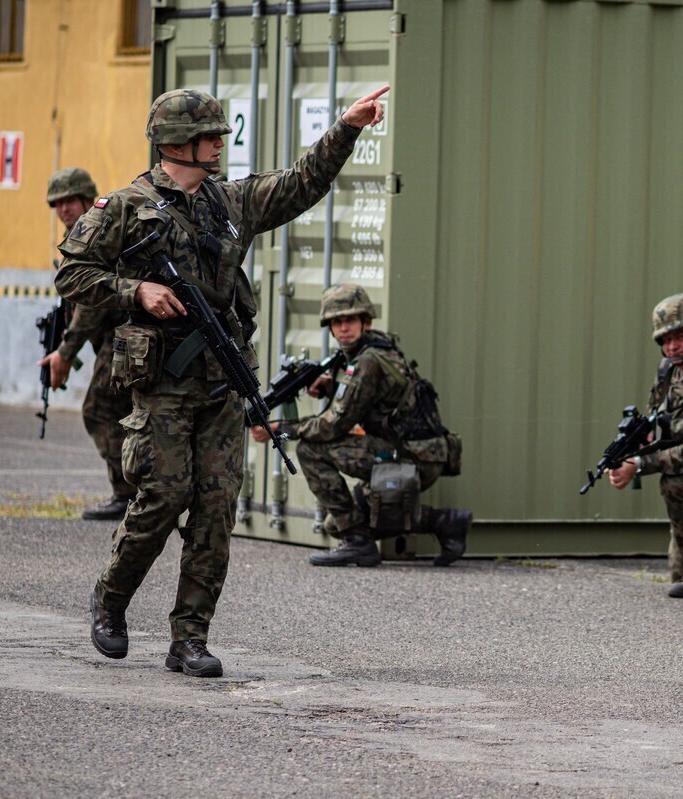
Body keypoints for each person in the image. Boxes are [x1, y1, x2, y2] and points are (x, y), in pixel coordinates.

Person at [56, 85, 390, 678]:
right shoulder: (127, 207)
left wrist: (348, 127)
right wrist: (136, 291)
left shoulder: (229, 203)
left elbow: (300, 183)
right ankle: (111, 599)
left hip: (221, 383)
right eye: (211, 136)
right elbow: (72, 272)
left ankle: (190, 636)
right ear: (178, 144)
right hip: (161, 381)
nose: (220, 144)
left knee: (215, 508)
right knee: (162, 497)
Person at [250, 283, 471, 568]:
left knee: (310, 450)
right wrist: (332, 386)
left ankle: (358, 544)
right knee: (336, 524)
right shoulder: (377, 348)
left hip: (412, 457)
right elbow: (372, 401)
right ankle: (445, 523)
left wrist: (278, 428)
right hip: (417, 453)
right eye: (337, 322)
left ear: (365, 322)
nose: (344, 328)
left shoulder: (367, 361)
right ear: (329, 327)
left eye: (350, 320)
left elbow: (333, 426)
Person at [39, 168, 136, 520]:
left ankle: (129, 494)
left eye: (70, 200)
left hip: (124, 337)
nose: (64, 208)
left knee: (99, 410)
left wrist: (65, 353)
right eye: (58, 203)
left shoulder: (97, 236)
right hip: (119, 339)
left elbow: (92, 305)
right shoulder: (77, 237)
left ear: (85, 199)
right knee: (126, 414)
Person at [607, 293, 683, 599]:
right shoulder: (668, 371)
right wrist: (630, 450)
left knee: (678, 482)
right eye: (666, 340)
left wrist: (639, 466)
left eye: (680, 337)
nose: (672, 347)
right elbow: (656, 418)